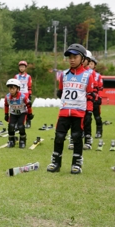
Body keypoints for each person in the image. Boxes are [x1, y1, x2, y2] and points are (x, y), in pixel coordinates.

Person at [47, 44, 95, 174]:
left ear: (82, 58)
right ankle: (56, 162)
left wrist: (89, 112)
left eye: (75, 57)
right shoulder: (63, 75)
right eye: (70, 57)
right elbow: (61, 91)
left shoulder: (87, 75)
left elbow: (90, 96)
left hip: (79, 113)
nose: (72, 60)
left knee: (77, 137)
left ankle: (76, 163)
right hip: (64, 111)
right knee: (59, 137)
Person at [3, 78, 33, 148]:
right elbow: (6, 105)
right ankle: (11, 140)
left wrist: (30, 114)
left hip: (22, 113)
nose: (11, 90)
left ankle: (22, 140)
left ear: (17, 89)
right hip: (13, 113)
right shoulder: (7, 97)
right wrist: (6, 114)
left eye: (13, 88)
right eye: (10, 88)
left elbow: (29, 105)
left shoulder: (23, 97)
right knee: (11, 126)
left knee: (20, 126)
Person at [14, 61, 33, 128]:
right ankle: (17, 122)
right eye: (20, 67)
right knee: (17, 108)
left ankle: (28, 121)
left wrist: (30, 95)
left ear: (25, 68)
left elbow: (29, 86)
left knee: (26, 108)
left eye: (23, 67)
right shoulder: (16, 76)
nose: (21, 68)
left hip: (25, 94)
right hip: (18, 94)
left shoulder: (28, 77)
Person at [89, 56, 104, 138]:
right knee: (87, 117)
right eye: (89, 64)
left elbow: (100, 88)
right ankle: (86, 132)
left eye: (91, 64)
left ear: (94, 65)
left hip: (95, 98)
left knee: (97, 116)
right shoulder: (84, 74)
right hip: (87, 98)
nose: (90, 65)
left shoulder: (98, 76)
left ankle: (99, 131)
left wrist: (99, 98)